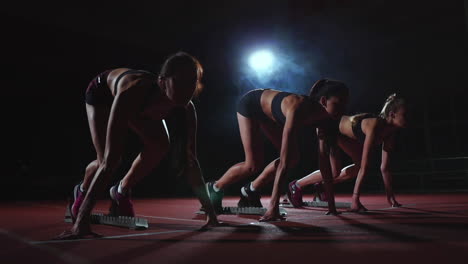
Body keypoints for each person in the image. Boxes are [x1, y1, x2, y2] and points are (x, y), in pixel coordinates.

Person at [56, 52, 219, 239]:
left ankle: (121, 190)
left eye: (193, 82)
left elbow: (192, 162)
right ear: (162, 81)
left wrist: (211, 216)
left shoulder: (187, 108)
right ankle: (82, 190)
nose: (187, 89)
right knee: (108, 159)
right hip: (104, 95)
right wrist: (81, 223)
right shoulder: (131, 92)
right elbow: (109, 162)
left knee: (159, 146)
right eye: (180, 82)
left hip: (141, 105)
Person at [205, 79, 349, 221]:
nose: (343, 109)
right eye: (339, 103)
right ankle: (215, 187)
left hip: (271, 113)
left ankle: (251, 189)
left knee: (293, 158)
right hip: (252, 104)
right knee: (253, 165)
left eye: (345, 104)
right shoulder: (298, 108)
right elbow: (284, 163)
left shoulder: (327, 120)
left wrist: (332, 206)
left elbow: (324, 163)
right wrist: (273, 207)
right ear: (324, 101)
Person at [287, 94, 408, 212]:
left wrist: (390, 196)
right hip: (332, 127)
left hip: (346, 136)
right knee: (335, 172)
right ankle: (296, 185)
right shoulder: (375, 125)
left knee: (358, 166)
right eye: (405, 115)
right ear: (392, 114)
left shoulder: (390, 133)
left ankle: (322, 186)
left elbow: (384, 168)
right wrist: (355, 200)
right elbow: (365, 166)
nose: (409, 118)